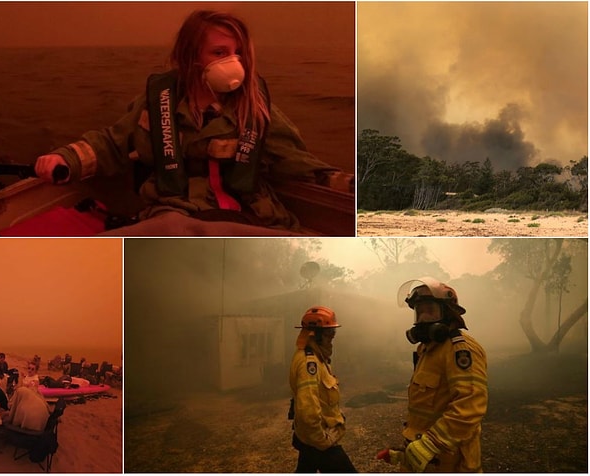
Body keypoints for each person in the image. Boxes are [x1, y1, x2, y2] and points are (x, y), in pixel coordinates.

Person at [34, 10, 353, 236]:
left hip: (251, 214)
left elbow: (297, 162)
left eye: (238, 52)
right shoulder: (157, 103)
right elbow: (112, 142)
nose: (234, 62)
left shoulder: (255, 107)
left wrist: (342, 182)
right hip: (177, 211)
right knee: (171, 231)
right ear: (191, 56)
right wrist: (67, 158)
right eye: (220, 52)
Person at [377, 277, 488, 472]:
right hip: (426, 460)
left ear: (448, 313)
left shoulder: (460, 350)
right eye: (419, 313)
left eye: (430, 311)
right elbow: (426, 413)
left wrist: (431, 444)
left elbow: (470, 407)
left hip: (451, 463)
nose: (422, 320)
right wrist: (406, 453)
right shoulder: (427, 350)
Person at [289, 306, 357, 473]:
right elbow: (308, 412)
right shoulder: (309, 364)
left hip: (309, 439)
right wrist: (323, 441)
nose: (332, 338)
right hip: (319, 442)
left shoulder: (317, 357)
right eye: (329, 334)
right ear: (315, 335)